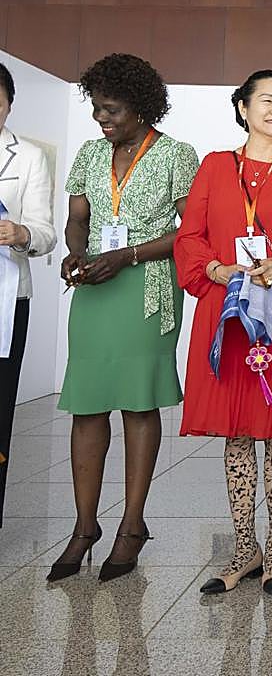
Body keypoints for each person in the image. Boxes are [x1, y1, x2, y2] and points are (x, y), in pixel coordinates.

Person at [176, 70, 272, 595]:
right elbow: (190, 238)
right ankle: (244, 550)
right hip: (228, 313)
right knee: (237, 433)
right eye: (266, 100)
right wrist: (218, 271)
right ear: (242, 108)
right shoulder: (216, 167)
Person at [51, 53, 199, 582]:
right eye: (96, 109)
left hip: (146, 290)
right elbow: (77, 219)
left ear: (140, 106)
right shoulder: (90, 155)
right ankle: (84, 527)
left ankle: (132, 525)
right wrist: (75, 253)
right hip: (94, 287)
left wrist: (128, 255)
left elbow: (190, 232)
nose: (101, 119)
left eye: (111, 109)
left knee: (137, 403)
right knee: (86, 406)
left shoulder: (177, 155)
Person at [0, 62, 57, 527]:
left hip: (7, 299)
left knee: (0, 412)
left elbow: (44, 232)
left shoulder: (29, 156)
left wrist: (19, 232)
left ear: (10, 105)